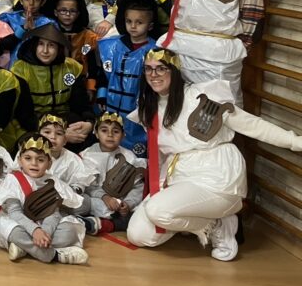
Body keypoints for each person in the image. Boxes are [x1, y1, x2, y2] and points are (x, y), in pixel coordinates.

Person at [127, 48, 302, 260]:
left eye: (161, 69)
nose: (154, 75)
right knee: (137, 235)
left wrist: (294, 142)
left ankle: (218, 225)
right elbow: (161, 155)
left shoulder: (200, 97)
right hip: (179, 175)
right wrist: (158, 186)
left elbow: (251, 125)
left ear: (174, 71)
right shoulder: (150, 107)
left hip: (216, 176)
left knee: (157, 210)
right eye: (148, 69)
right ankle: (211, 223)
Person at [0, 134, 89, 264]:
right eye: (28, 158)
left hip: (44, 225)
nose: (34, 163)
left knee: (70, 231)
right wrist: (35, 231)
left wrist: (45, 233)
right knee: (14, 232)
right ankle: (54, 255)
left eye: (40, 160)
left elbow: (53, 213)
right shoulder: (13, 179)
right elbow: (15, 213)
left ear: (49, 163)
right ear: (20, 160)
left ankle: (25, 248)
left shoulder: (53, 182)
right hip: (19, 222)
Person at [10, 23, 95, 150]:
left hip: (65, 120)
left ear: (59, 48)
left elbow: (81, 104)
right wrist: (59, 134)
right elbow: (24, 115)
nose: (45, 50)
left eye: (51, 45)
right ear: (34, 46)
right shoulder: (21, 70)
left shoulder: (71, 67)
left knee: (88, 140)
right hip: (33, 124)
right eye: (41, 44)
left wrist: (89, 122)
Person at [96, 0, 160, 156]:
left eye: (139, 22)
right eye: (129, 21)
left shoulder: (155, 51)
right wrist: (101, 95)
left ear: (150, 26)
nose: (133, 26)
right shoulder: (111, 46)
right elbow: (102, 73)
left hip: (138, 111)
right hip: (111, 107)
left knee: (137, 152)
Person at [80, 113, 145, 234]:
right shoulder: (87, 155)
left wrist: (128, 203)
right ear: (96, 133)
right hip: (98, 200)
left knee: (142, 210)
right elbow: (87, 186)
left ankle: (104, 223)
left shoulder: (129, 157)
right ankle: (102, 222)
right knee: (83, 202)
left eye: (115, 131)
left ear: (123, 135)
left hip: (121, 203)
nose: (110, 135)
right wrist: (105, 197)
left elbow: (138, 186)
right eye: (104, 130)